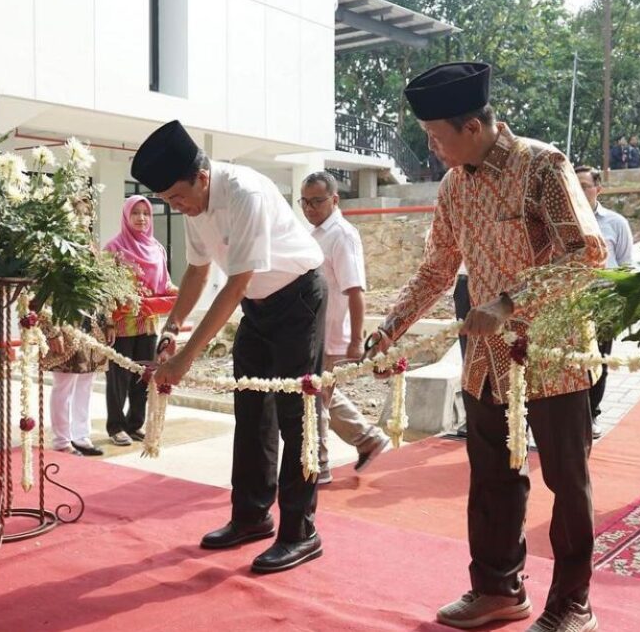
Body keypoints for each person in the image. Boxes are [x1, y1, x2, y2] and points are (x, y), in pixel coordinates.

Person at [366, 62, 607, 631]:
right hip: (486, 361)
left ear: (472, 126)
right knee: (491, 476)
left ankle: (573, 601)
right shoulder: (453, 186)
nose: (432, 148)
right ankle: (497, 588)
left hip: (554, 350)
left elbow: (586, 255)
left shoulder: (544, 166)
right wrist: (389, 329)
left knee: (567, 480)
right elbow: (437, 270)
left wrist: (506, 303)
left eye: (436, 136)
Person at [135, 120, 326, 574]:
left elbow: (235, 284)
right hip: (259, 307)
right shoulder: (194, 206)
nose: (175, 207)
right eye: (166, 201)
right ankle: (251, 516)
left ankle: (302, 532)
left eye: (177, 197)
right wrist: (172, 328)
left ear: (202, 177)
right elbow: (198, 272)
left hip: (298, 298)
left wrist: (184, 361)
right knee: (251, 410)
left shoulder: (244, 194)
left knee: (295, 418)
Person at [299, 171, 389, 485]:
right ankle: (368, 439)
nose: (310, 208)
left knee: (313, 399)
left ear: (335, 200)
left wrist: (354, 342)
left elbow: (355, 290)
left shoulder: (342, 234)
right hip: (314, 332)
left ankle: (319, 468)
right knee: (320, 394)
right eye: (305, 202)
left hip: (333, 335)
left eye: (317, 201)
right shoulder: (317, 233)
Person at [104, 196, 177, 447]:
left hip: (148, 323)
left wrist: (180, 293)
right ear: (126, 216)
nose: (141, 218)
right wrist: (109, 321)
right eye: (135, 213)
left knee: (144, 375)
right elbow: (103, 289)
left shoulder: (157, 249)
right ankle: (116, 426)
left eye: (146, 213)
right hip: (122, 324)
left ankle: (135, 424)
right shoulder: (113, 248)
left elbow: (164, 282)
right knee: (119, 377)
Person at [41, 198, 111, 457]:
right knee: (64, 384)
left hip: (91, 325)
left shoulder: (91, 248)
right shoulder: (53, 248)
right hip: (64, 323)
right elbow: (43, 293)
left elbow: (101, 287)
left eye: (86, 214)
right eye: (77, 214)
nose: (82, 219)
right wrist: (52, 330)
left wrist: (108, 320)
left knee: (86, 382)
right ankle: (61, 440)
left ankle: (81, 436)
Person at [574, 165, 634, 439]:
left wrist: (621, 303)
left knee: (598, 360)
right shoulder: (559, 220)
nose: (579, 190)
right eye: (573, 184)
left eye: (585, 185)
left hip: (603, 301)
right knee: (570, 361)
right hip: (569, 302)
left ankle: (592, 413)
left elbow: (625, 265)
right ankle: (572, 416)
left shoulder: (615, 223)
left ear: (599, 189)